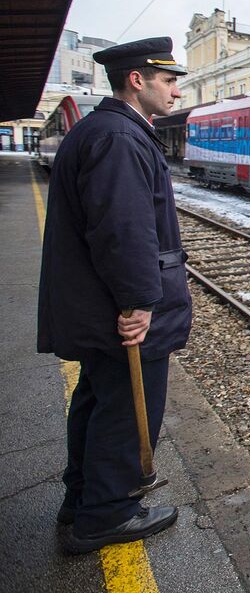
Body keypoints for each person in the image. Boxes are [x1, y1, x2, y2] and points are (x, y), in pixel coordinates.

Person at [37, 37, 193, 554]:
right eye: (168, 80)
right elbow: (123, 232)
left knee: (97, 399)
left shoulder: (103, 131)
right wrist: (140, 303)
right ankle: (106, 515)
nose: (175, 90)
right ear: (137, 80)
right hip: (117, 310)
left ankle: (82, 499)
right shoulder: (120, 139)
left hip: (96, 302)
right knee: (125, 408)